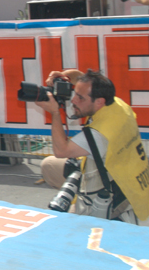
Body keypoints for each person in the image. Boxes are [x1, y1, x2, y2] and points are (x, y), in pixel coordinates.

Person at [35, 69, 149, 224]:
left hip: (123, 197)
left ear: (99, 102)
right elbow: (83, 79)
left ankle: (86, 214)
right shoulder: (116, 104)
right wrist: (64, 75)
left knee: (71, 228)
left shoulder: (100, 133)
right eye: (75, 93)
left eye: (80, 97)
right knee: (49, 165)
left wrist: (54, 113)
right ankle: (79, 198)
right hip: (128, 175)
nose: (73, 100)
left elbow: (61, 150)